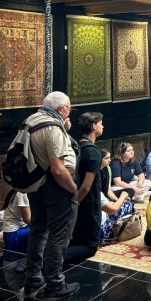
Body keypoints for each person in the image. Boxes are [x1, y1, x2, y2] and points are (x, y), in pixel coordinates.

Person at [23, 91, 79, 299]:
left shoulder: (31, 120)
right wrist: (73, 188)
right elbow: (57, 168)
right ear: (62, 109)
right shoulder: (52, 128)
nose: (69, 113)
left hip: (35, 185)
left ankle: (32, 280)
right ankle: (55, 285)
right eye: (69, 109)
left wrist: (63, 129)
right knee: (59, 236)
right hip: (55, 188)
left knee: (38, 232)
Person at [65, 112, 104, 264]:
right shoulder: (93, 152)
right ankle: (49, 258)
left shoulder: (76, 147)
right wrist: (77, 203)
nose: (102, 126)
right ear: (94, 126)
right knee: (90, 246)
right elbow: (87, 186)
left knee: (78, 239)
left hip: (76, 200)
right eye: (100, 123)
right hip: (88, 204)